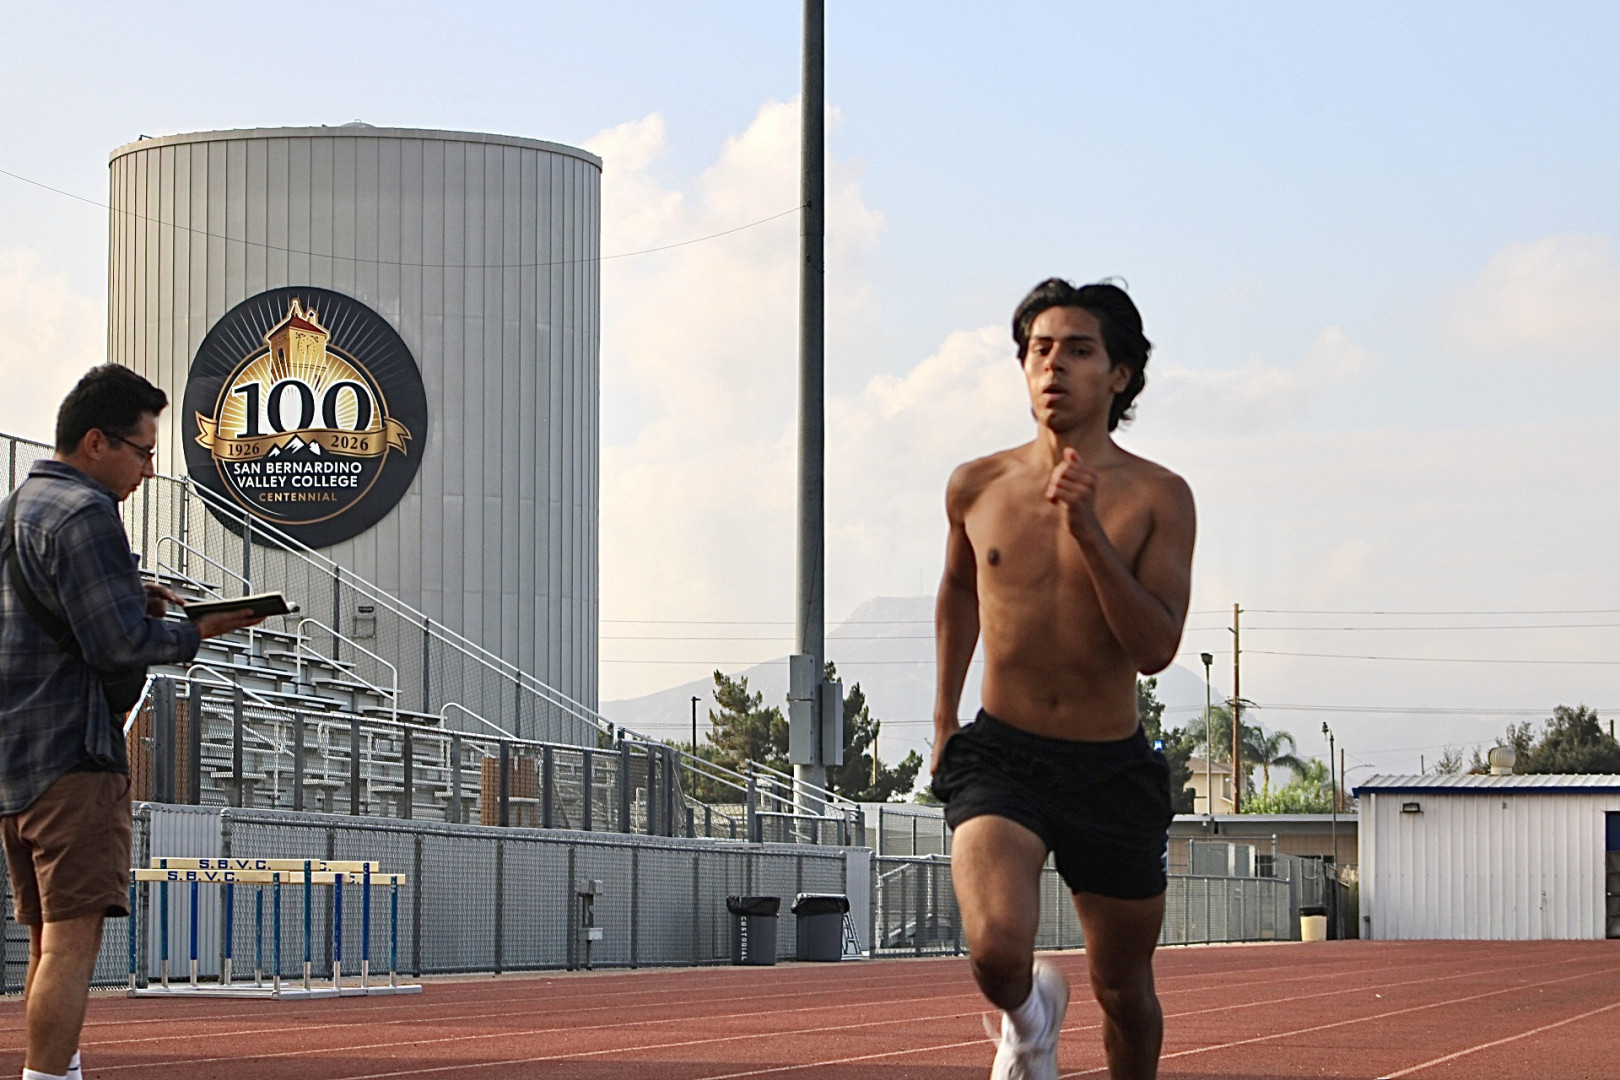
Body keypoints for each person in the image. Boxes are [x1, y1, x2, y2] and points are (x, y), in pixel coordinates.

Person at [931, 279, 1196, 1080]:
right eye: (1040, 349)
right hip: (1002, 756)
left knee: (1124, 992)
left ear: (1119, 375)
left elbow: (1155, 647)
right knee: (995, 951)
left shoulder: (1159, 496)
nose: (1054, 365)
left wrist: (1088, 531)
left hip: (1110, 769)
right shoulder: (975, 485)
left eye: (1079, 350)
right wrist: (943, 719)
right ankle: (1029, 1018)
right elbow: (960, 590)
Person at [0, 366, 262, 1080]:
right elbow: (116, 644)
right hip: (73, 756)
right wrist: (200, 631)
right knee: (72, 948)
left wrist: (127, 599)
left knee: (46, 944)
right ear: (96, 442)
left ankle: (58, 1071)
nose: (148, 470)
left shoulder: (18, 506)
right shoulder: (86, 513)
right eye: (143, 452)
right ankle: (46, 1076)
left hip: (16, 760)